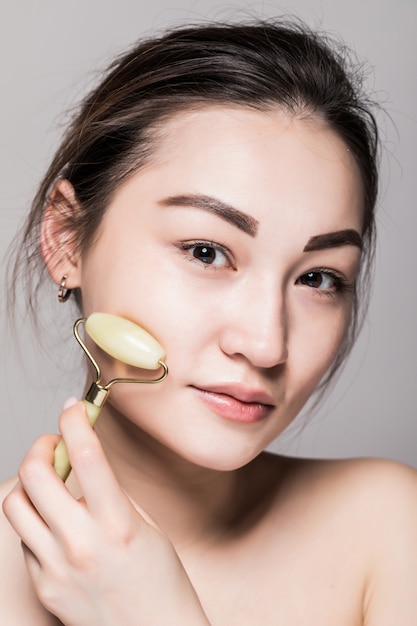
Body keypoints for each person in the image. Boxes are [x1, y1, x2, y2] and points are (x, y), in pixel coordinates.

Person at [0, 18, 416, 625]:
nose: (266, 343)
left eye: (318, 278)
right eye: (206, 252)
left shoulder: (392, 530)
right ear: (66, 238)